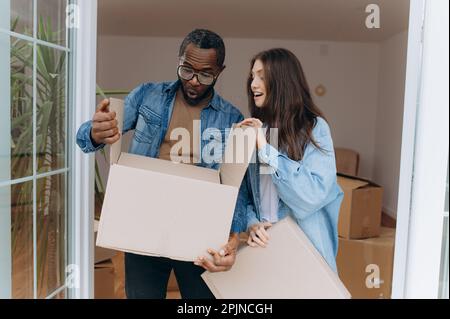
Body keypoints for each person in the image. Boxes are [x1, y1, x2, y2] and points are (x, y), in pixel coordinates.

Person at [76, 29, 248, 298]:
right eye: (186, 70)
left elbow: (235, 182)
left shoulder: (231, 118)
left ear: (220, 71)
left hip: (199, 231)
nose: (193, 82)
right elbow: (89, 135)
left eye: (205, 74)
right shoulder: (148, 96)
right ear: (179, 60)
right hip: (144, 222)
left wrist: (233, 235)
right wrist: (93, 132)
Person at [238, 48, 343, 271]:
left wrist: (265, 148)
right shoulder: (259, 131)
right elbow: (247, 195)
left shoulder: (314, 128)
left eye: (261, 76)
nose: (253, 84)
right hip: (265, 249)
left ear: (282, 81)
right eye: (252, 76)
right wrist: (252, 224)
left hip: (305, 251)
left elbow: (311, 195)